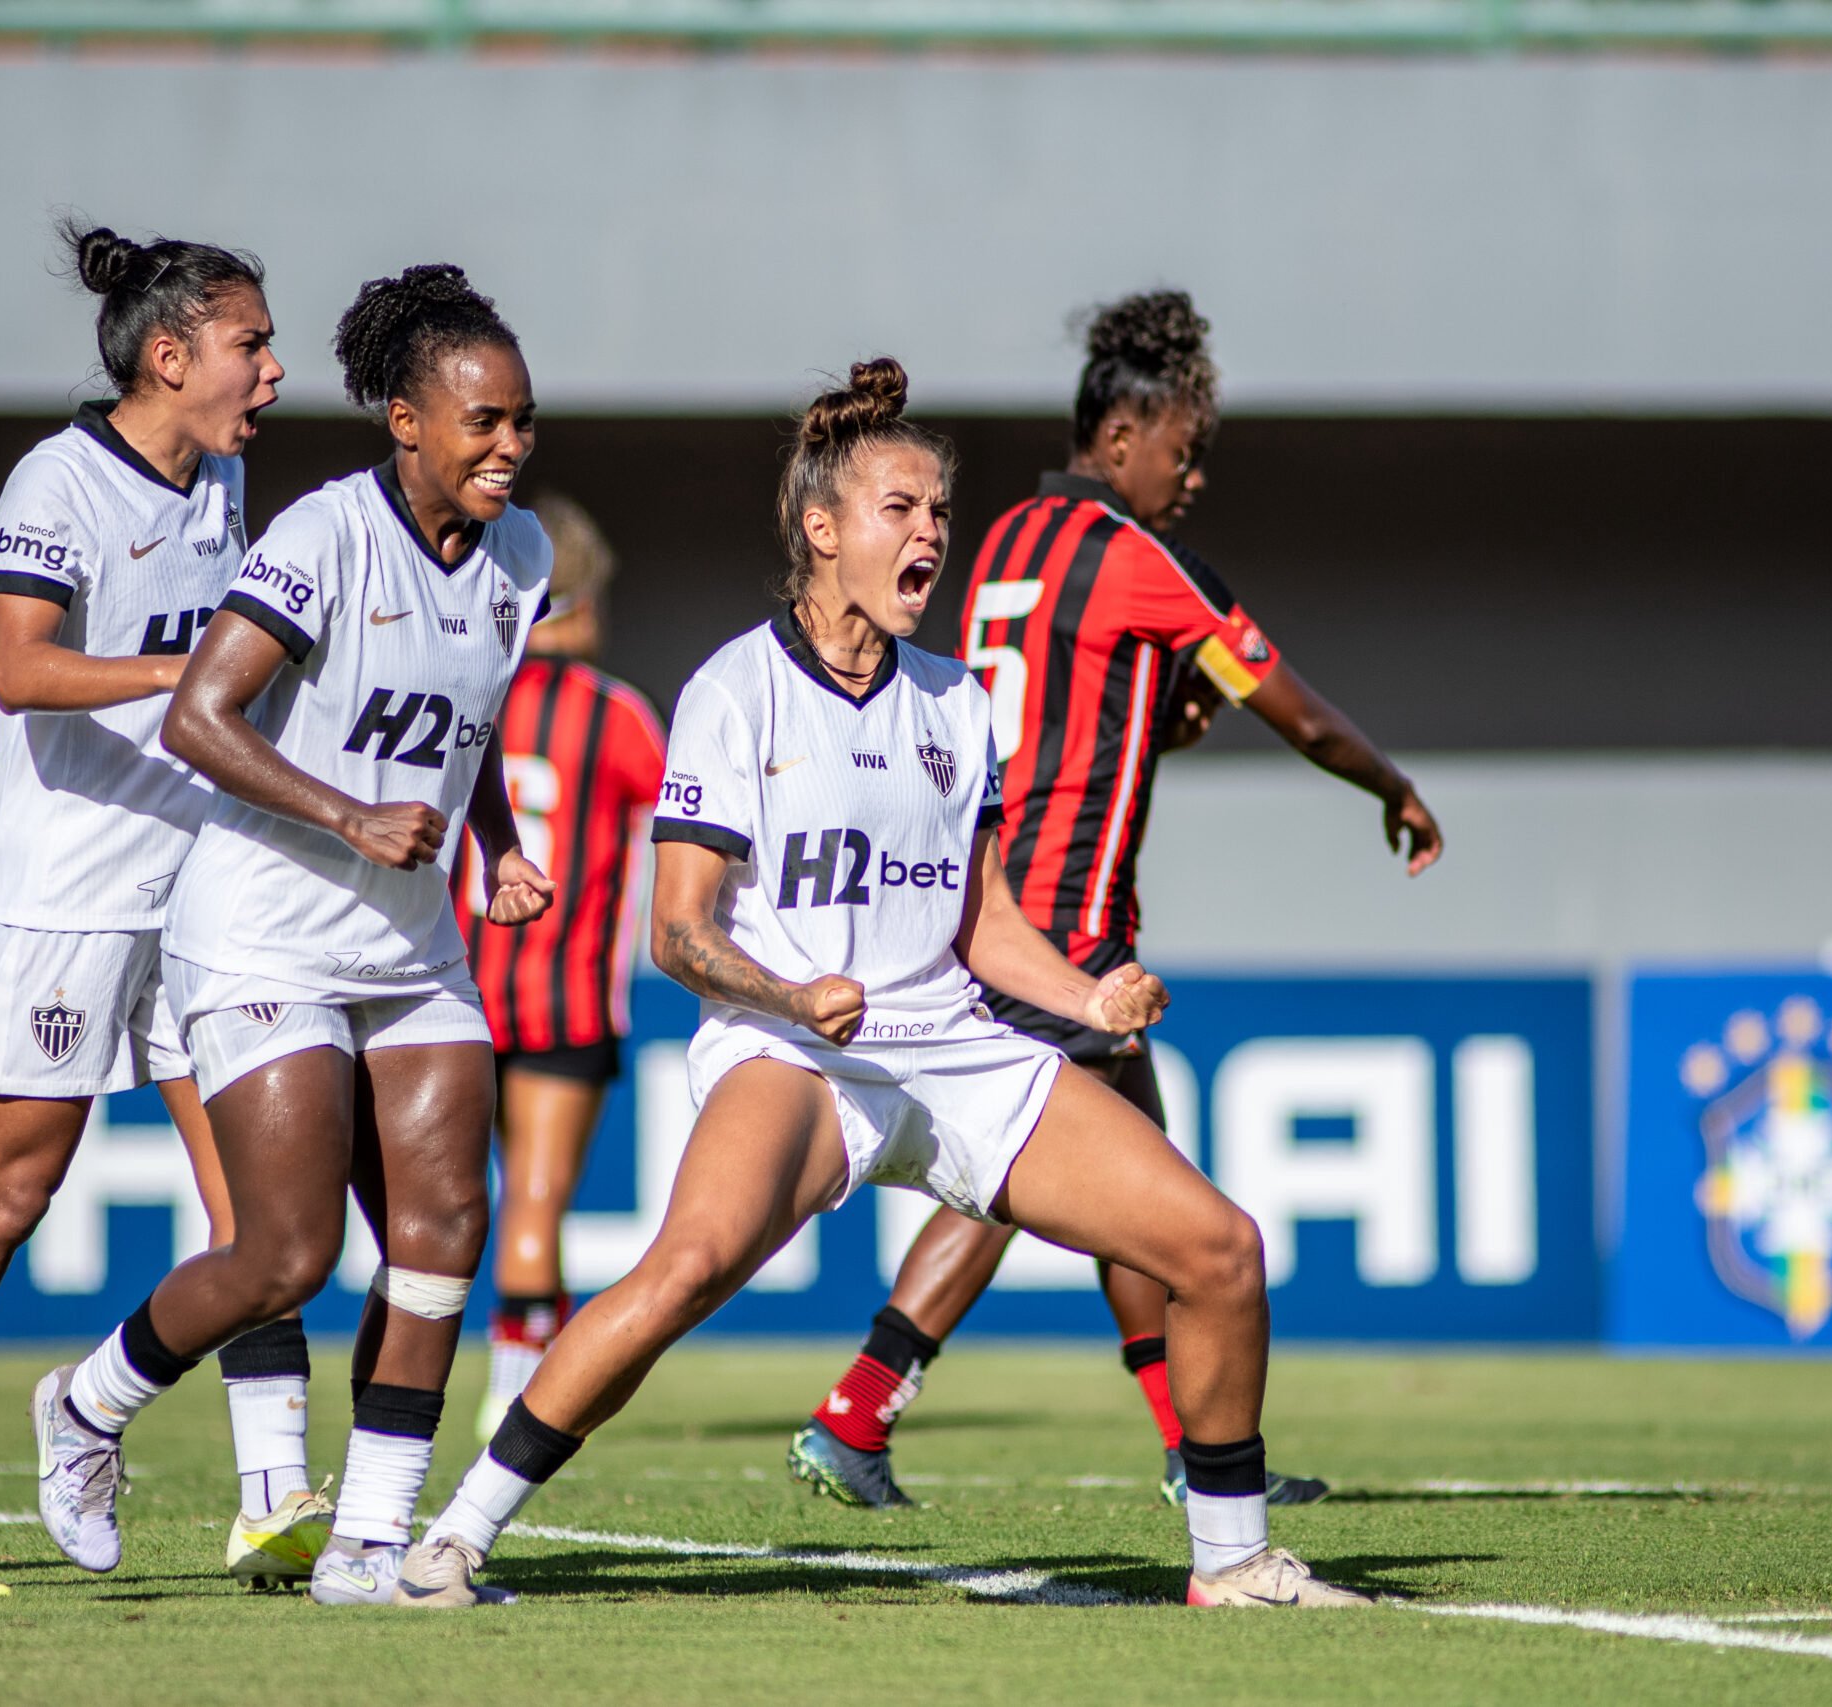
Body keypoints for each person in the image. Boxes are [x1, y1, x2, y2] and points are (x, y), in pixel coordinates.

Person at [393, 359, 1370, 1612]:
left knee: (1221, 1250)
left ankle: (1233, 1565)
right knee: (685, 1267)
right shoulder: (733, 692)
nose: (930, 536)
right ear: (822, 529)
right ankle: (453, 1542)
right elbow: (677, 938)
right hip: (793, 1054)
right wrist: (792, 1000)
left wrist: (1086, 1000)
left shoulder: (956, 704)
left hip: (954, 1049)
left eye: (938, 514)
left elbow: (987, 925)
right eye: (899, 510)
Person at [788, 292, 1444, 1513]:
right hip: (1059, 924)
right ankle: (857, 1409)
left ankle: (1187, 1450)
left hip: (992, 887)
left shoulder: (1009, 540)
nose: (1189, 481)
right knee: (1023, 1165)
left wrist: (1157, 723)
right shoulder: (1139, 560)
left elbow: (1062, 719)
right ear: (1126, 435)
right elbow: (1286, 702)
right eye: (1182, 454)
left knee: (1149, 1198)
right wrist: (1391, 785)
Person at [25, 263, 556, 1609]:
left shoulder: (525, 556)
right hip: (261, 927)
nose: (507, 446)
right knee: (288, 1253)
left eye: (521, 421)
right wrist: (348, 813)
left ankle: (371, 1545)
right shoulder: (325, 537)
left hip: (415, 946)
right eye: (481, 421)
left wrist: (492, 837)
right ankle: (87, 1403)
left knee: (442, 1232)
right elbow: (203, 715)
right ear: (407, 420)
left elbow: (463, 723)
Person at [0, 222, 310, 1600]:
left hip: (206, 890)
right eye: (251, 345)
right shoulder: (58, 479)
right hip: (62, 897)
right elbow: (21, 666)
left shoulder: (222, 487)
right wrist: (186, 674)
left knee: (260, 1197)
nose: (274, 372)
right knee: (6, 1192)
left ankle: (274, 1491)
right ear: (170, 357)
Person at [449, 495, 668, 1441]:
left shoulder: (466, 695)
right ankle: (515, 1393)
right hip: (567, 996)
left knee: (445, 1206)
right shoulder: (617, 717)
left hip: (450, 986)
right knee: (533, 1200)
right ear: (573, 602)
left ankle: (413, 1402)